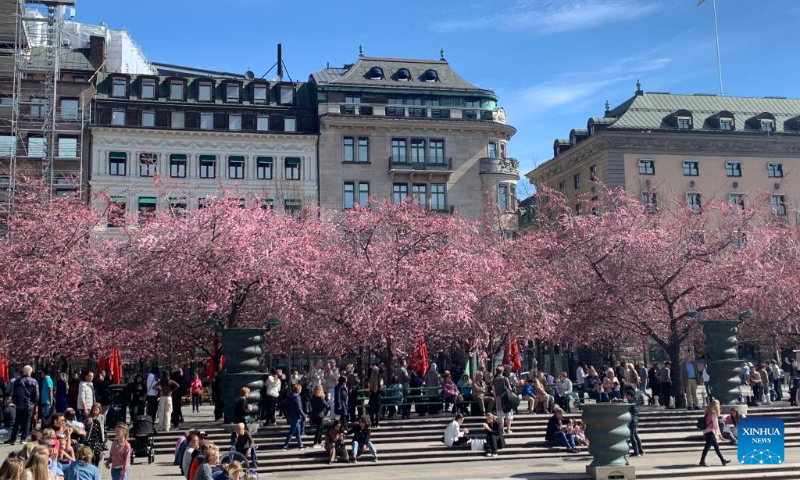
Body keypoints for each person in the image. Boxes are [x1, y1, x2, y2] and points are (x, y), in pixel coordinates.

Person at [4, 365, 39, 446]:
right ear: (30, 372)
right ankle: (23, 438)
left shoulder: (17, 381)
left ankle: (13, 438)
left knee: (17, 421)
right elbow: (36, 394)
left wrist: (15, 401)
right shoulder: (34, 381)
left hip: (19, 404)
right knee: (27, 422)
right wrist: (34, 403)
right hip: (29, 404)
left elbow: (14, 393)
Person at [699, 399, 730, 467]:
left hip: (707, 431)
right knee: (708, 447)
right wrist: (719, 434)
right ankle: (702, 461)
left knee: (715, 447)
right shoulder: (713, 413)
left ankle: (722, 460)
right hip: (711, 431)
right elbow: (716, 425)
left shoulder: (707, 412)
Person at [282, 384, 306, 451]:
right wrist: (304, 415)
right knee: (291, 431)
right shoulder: (297, 398)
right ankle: (285, 446)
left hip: (291, 415)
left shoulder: (291, 397)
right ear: (299, 390)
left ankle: (300, 445)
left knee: (297, 431)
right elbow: (299, 408)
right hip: (295, 416)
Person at [491, 366, 513, 434]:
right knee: (508, 414)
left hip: (498, 398)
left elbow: (494, 390)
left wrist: (496, 397)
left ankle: (502, 430)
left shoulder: (494, 380)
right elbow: (510, 388)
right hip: (506, 398)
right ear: (502, 371)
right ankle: (508, 430)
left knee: (501, 416)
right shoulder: (505, 378)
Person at [624, 389, 644, 457]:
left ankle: (636, 452)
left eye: (626, 395)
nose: (626, 397)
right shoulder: (636, 401)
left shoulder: (631, 402)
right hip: (635, 420)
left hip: (632, 420)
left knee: (632, 436)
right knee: (635, 435)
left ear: (630, 395)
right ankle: (641, 451)